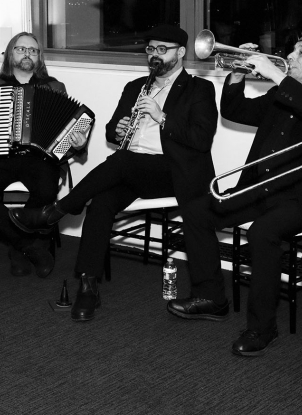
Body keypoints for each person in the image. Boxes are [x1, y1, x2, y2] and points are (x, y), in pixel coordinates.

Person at [168, 30, 302, 357]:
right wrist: (237, 75)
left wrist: (277, 75)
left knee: (262, 233)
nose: (291, 57)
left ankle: (262, 327)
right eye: (293, 51)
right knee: (197, 212)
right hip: (260, 187)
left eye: (301, 52)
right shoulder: (280, 93)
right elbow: (235, 111)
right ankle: (211, 296)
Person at [11, 24, 217, 321]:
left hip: (174, 171)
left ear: (181, 52)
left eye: (162, 49)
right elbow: (110, 132)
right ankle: (88, 287)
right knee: (102, 202)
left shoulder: (199, 89)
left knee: (121, 161)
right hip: (134, 171)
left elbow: (201, 139)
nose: (154, 55)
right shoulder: (136, 87)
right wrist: (118, 131)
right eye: (150, 49)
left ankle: (57, 210)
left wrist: (161, 116)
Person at [0, 32, 88, 278]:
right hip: (2, 155)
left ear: (39, 57)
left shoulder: (54, 87)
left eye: (33, 50)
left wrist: (79, 143)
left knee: (46, 190)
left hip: (40, 157)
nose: (27, 54)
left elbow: (66, 131)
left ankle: (18, 248)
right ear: (11, 54)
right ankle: (27, 244)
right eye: (21, 49)